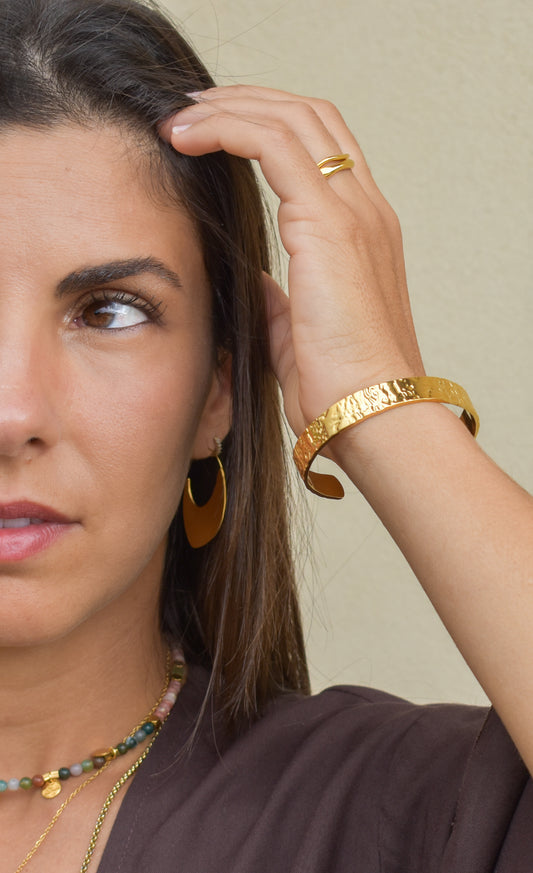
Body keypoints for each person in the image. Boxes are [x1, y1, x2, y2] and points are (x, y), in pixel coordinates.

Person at [0, 0, 531, 871]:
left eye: (110, 311)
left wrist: (379, 401)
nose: (13, 415)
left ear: (218, 390)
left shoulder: (398, 813)